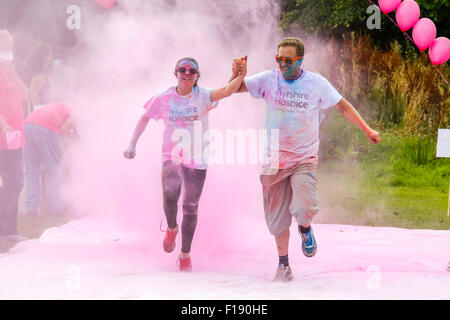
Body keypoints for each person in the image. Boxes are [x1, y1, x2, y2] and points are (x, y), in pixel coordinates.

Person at [232, 37, 380, 281]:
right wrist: (238, 74)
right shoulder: (269, 79)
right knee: (277, 220)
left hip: (304, 157)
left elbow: (342, 106)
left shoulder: (316, 83)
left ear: (300, 60)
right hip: (273, 160)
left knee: (305, 207)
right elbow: (234, 89)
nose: (282, 65)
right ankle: (284, 265)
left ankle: (305, 227)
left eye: (288, 61)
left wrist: (367, 129)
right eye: (279, 59)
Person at [123, 57, 247, 272]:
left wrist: (240, 75)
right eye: (183, 69)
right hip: (171, 156)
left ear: (197, 75)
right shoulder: (163, 98)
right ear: (176, 73)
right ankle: (171, 228)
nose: (187, 73)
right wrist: (132, 144)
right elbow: (144, 118)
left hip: (197, 159)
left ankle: (185, 254)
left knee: (190, 207)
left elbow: (227, 91)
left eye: (192, 70)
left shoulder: (203, 96)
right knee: (170, 197)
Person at [0, 29, 29, 241]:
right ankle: (7, 231)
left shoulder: (9, 70)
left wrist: (14, 72)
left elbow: (26, 95)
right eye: (7, 45)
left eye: (11, 45)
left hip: (15, 136)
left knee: (16, 181)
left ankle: (9, 229)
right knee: (13, 181)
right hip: (3, 135)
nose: (10, 49)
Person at [22, 102, 75, 216]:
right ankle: (54, 208)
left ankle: (31, 209)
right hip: (46, 127)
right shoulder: (74, 112)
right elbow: (64, 131)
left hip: (26, 126)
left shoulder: (57, 106)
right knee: (54, 169)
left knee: (31, 170)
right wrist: (68, 153)